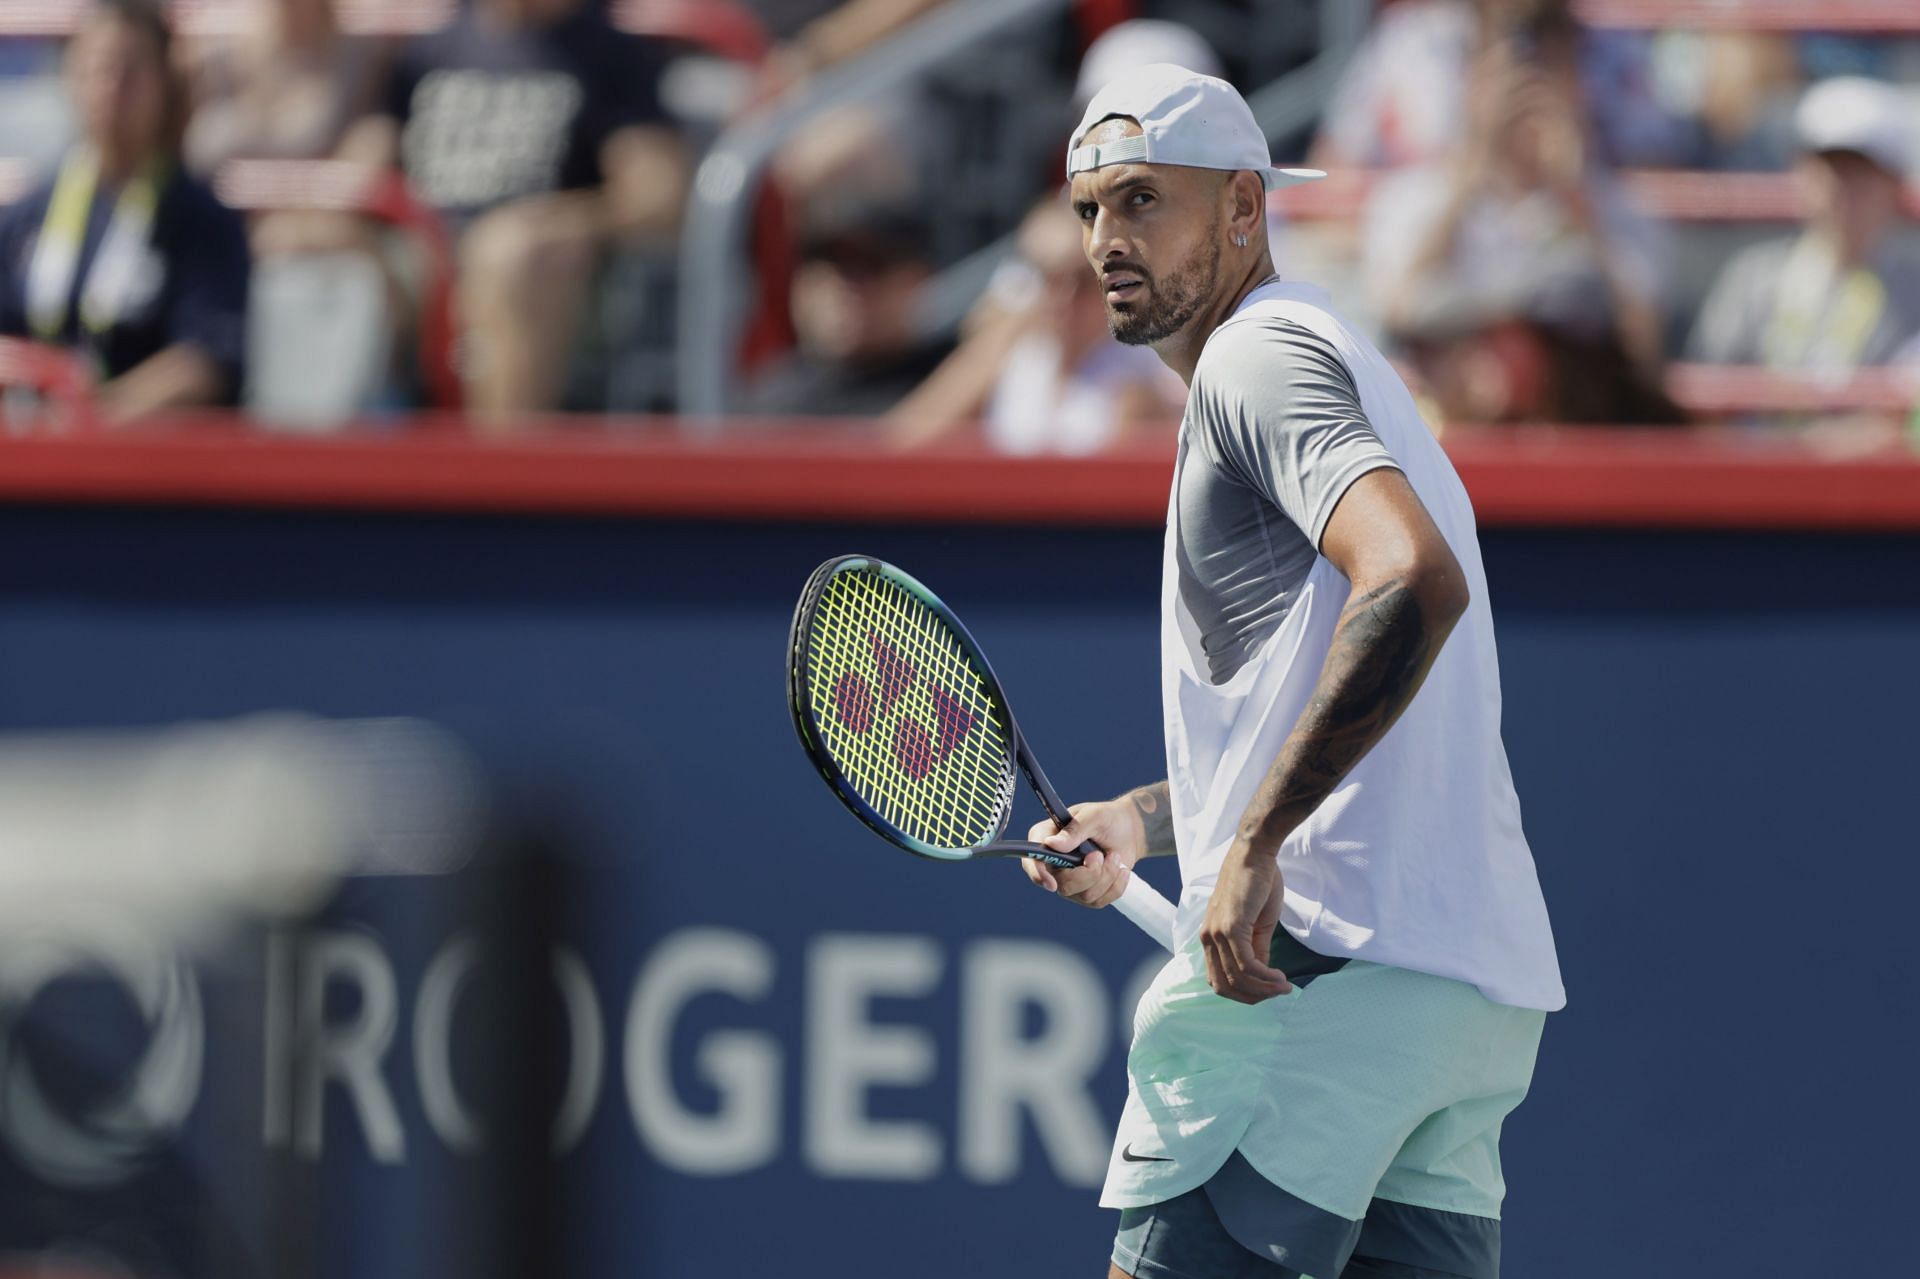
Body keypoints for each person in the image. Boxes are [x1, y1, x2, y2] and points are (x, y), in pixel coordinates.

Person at [1028, 65, 1562, 1279]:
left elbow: (1411, 583)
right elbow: (1339, 686)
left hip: (1309, 977)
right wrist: (1153, 823)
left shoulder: (1252, 362)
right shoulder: (1344, 364)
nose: (1109, 240)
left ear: (1244, 210)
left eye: (1145, 202)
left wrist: (1255, 842)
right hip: (1454, 996)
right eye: (1090, 210)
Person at [361, 0, 687, 422]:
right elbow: (366, 164)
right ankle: (305, 478)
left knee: (508, 255)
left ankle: (501, 479)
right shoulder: (428, 48)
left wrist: (568, 221)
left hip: (548, 272)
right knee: (319, 258)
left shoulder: (608, 51)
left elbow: (659, 194)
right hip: (421, 258)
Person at [0, 0, 250, 423]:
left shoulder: (201, 221)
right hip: (29, 458)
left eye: (132, 71)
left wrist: (91, 417)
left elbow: (205, 364)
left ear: (165, 84)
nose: (112, 88)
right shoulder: (26, 216)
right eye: (99, 68)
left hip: (147, 469)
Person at [887, 195, 1182, 452]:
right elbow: (903, 440)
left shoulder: (1144, 374)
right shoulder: (1008, 347)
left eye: (1082, 279)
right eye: (1048, 277)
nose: (1063, 297)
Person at [1687, 76, 1920, 372]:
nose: (1843, 187)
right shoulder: (1752, 277)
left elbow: (1904, 412)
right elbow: (1707, 395)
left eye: (1862, 171)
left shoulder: (1914, 292)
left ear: (1894, 183)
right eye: (1832, 167)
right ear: (1802, 174)